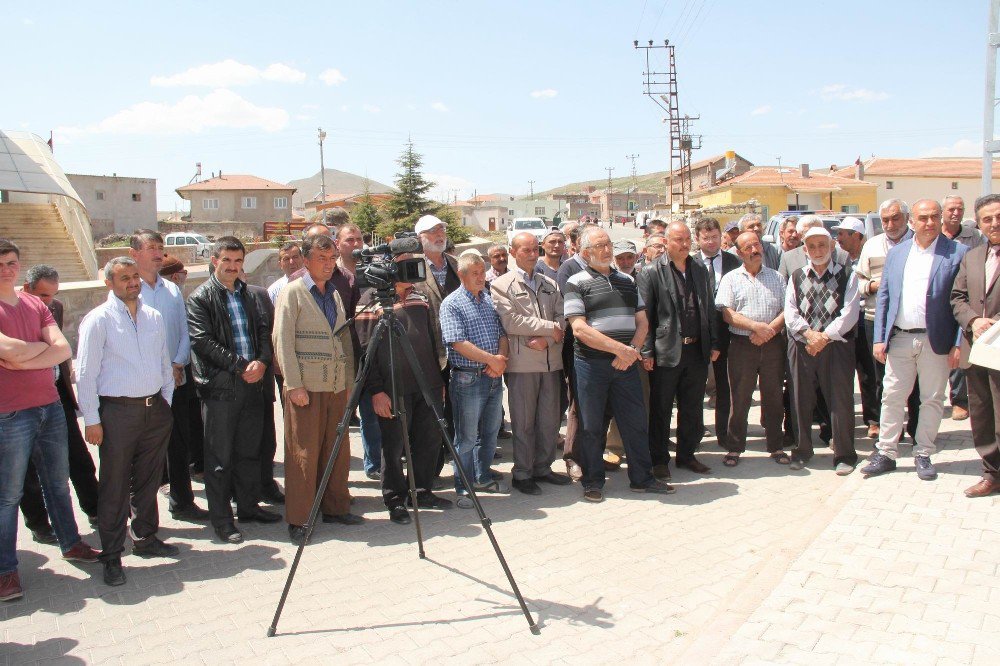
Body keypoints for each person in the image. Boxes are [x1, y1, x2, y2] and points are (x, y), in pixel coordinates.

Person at [0, 239, 100, 602]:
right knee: (8, 495)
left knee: (58, 483)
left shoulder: (33, 304)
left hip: (50, 406)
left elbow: (63, 348)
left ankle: (71, 543)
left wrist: (22, 357)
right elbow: (9, 350)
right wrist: (38, 352)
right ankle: (5, 572)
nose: (7, 269)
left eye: (12, 262)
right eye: (1, 263)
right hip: (9, 413)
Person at [77, 257, 179, 586]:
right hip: (117, 413)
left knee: (149, 482)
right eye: (124, 278)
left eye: (135, 276)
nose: (132, 282)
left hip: (154, 411)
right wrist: (91, 419)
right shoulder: (98, 320)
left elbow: (164, 363)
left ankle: (146, 538)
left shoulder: (153, 316)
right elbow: (86, 374)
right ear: (110, 283)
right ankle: (111, 554)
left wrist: (166, 403)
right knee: (115, 486)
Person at [565, 226, 673, 501]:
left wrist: (632, 350)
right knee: (592, 426)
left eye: (608, 244)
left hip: (625, 366)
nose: (607, 249)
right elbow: (579, 329)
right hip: (592, 365)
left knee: (635, 422)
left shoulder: (627, 280)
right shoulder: (575, 282)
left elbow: (643, 322)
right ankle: (593, 482)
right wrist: (621, 350)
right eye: (600, 245)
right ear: (586, 252)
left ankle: (642, 479)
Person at [862, 199, 966, 481]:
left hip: (937, 341)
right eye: (923, 218)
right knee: (892, 396)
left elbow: (962, 302)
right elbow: (883, 296)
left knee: (931, 399)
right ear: (912, 221)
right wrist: (879, 337)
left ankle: (923, 453)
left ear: (941, 218)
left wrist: (958, 343)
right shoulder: (898, 253)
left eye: (934, 217)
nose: (929, 222)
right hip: (900, 340)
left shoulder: (957, 253)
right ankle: (886, 452)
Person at [188, 237, 280, 545]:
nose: (232, 266)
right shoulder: (201, 297)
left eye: (238, 261)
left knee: (249, 451)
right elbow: (202, 341)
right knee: (219, 458)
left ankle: (249, 507)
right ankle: (222, 520)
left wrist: (263, 362)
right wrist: (242, 365)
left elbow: (265, 332)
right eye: (227, 260)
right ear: (215, 260)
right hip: (222, 388)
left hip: (253, 383)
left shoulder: (249, 295)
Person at [273, 234, 361, 543]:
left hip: (335, 385)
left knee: (336, 450)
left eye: (331, 259)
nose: (327, 265)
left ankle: (335, 507)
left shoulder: (334, 293)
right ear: (306, 261)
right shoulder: (293, 293)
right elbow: (282, 341)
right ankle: (300, 519)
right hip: (306, 388)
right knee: (304, 454)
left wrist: (349, 383)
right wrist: (293, 384)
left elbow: (344, 340)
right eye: (321, 259)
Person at [355, 254, 453, 523]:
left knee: (428, 440)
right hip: (392, 387)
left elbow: (432, 339)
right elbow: (366, 351)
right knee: (394, 445)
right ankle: (395, 499)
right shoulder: (370, 301)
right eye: (405, 264)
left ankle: (421, 491)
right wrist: (376, 391)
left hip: (427, 384)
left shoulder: (420, 296)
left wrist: (438, 381)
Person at [129, 230, 208, 522]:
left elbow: (184, 332)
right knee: (142, 451)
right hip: (143, 384)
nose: (158, 253)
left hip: (176, 380)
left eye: (160, 247)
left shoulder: (172, 290)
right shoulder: (128, 290)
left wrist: (177, 363)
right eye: (151, 247)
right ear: (134, 253)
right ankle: (141, 516)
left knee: (179, 443)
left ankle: (183, 503)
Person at [18, 265, 100, 543]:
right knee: (27, 468)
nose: (48, 302)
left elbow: (61, 351)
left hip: (57, 395)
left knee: (78, 456)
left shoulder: (56, 308)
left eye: (52, 295)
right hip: (21, 402)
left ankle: (96, 509)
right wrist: (46, 351)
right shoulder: (10, 313)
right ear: (26, 289)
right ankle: (39, 524)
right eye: (42, 295)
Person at [638, 221, 720, 478]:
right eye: (678, 240)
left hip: (697, 351)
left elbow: (708, 308)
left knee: (692, 407)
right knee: (661, 408)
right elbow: (645, 316)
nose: (684, 245)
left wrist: (714, 342)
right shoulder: (651, 272)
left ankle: (687, 455)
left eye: (687, 240)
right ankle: (659, 459)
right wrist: (647, 351)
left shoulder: (699, 269)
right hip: (666, 351)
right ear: (666, 243)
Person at [491, 232, 570, 495]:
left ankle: (543, 468)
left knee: (549, 421)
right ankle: (522, 473)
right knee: (524, 422)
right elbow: (510, 321)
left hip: (551, 362)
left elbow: (563, 318)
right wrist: (551, 329)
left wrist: (549, 340)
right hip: (523, 365)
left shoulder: (550, 283)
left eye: (535, 249)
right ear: (513, 253)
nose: (533, 254)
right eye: (526, 250)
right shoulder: (501, 285)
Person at [784, 227, 861, 474]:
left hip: (836, 347)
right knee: (800, 399)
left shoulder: (847, 275)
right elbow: (790, 311)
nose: (817, 251)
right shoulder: (796, 276)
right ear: (805, 249)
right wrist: (809, 334)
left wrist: (823, 337)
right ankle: (802, 450)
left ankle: (844, 455)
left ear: (831, 247)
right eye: (812, 246)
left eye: (822, 245)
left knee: (840, 401)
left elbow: (849, 314)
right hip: (803, 345)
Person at [440, 253, 510, 507]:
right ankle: (463, 486)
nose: (481, 277)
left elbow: (502, 333)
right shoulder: (452, 304)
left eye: (483, 272)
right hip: (468, 379)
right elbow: (457, 342)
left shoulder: (489, 300)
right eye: (475, 273)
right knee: (467, 437)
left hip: (492, 377)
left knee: (490, 433)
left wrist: (500, 357)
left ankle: (482, 476)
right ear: (462, 275)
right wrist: (491, 360)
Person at [715, 232, 788, 466]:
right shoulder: (731, 279)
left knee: (774, 396)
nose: (754, 250)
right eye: (748, 247)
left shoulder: (777, 277)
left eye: (756, 245)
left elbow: (788, 310)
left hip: (773, 344)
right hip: (741, 346)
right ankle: (735, 447)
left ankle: (776, 446)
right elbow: (727, 313)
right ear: (739, 253)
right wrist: (755, 327)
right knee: (739, 397)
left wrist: (769, 332)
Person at [856, 199, 920, 441]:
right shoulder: (871, 246)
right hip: (877, 320)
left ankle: (915, 427)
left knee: (915, 379)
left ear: (906, 218)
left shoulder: (919, 243)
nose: (890, 224)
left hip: (911, 322)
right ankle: (886, 427)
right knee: (880, 377)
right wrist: (873, 285)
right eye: (885, 220)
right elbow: (858, 282)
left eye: (895, 218)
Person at [951, 193, 1000, 497]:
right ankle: (991, 472)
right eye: (988, 219)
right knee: (982, 413)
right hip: (977, 348)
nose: (994, 223)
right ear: (979, 224)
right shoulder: (972, 256)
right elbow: (957, 298)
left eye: (999, 216)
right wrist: (972, 321)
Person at [413, 214, 461, 478]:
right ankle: (429, 474)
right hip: (427, 355)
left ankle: (464, 470)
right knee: (430, 420)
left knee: (459, 416)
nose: (439, 234)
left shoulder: (457, 265)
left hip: (460, 354)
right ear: (420, 238)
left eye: (441, 229)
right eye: (432, 231)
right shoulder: (411, 268)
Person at [695, 218, 742, 446]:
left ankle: (724, 433)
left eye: (715, 237)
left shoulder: (734, 262)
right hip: (696, 332)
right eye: (706, 238)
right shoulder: (690, 262)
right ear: (698, 239)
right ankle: (694, 432)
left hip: (725, 332)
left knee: (724, 385)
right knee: (694, 385)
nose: (711, 242)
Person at [832, 217, 880, 437]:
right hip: (840, 323)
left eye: (843, 234)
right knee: (841, 375)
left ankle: (873, 419)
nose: (838, 238)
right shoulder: (837, 259)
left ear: (857, 236)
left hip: (864, 320)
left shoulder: (868, 257)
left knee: (868, 373)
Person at [242, 271, 284, 505]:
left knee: (267, 439)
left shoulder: (259, 294)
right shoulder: (207, 298)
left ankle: (267, 485)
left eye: (239, 266)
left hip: (262, 380)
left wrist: (265, 362)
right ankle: (242, 495)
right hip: (232, 385)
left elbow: (271, 335)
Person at [940, 195, 983, 422]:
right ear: (943, 212)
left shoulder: (974, 237)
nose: (955, 213)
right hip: (939, 300)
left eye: (960, 209)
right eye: (951, 209)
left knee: (958, 349)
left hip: (963, 299)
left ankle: (959, 400)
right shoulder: (934, 234)